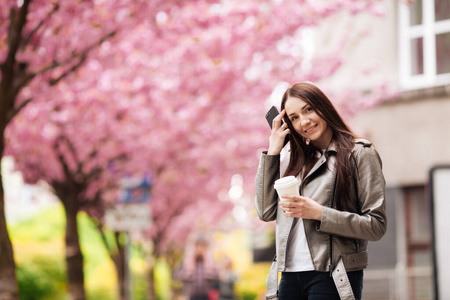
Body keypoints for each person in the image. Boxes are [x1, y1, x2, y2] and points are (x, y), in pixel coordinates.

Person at [255, 82, 387, 300]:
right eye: (294, 117)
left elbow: (376, 226)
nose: (304, 121)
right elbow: (265, 212)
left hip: (334, 274)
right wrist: (273, 151)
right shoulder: (294, 161)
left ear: (323, 106)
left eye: (308, 110)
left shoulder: (360, 154)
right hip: (289, 275)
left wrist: (320, 213)